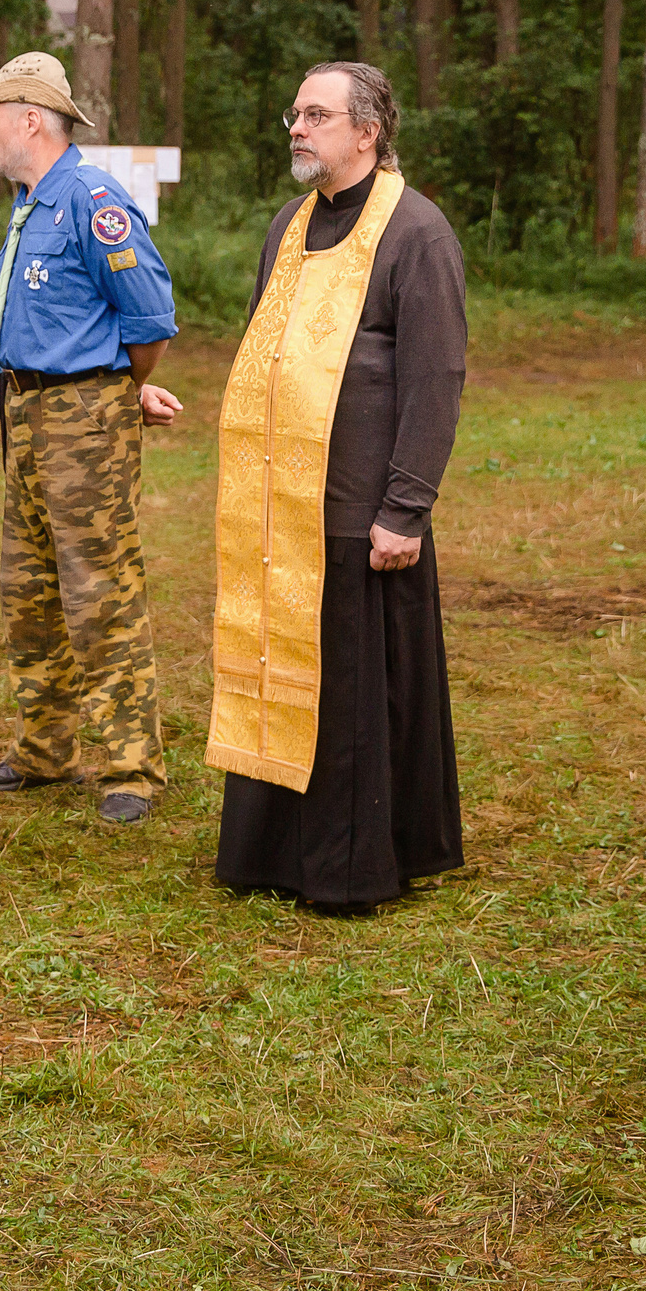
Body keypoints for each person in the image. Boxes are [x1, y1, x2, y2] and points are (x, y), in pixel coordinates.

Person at [207, 62, 467, 912]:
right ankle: (269, 851)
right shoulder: (288, 224)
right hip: (277, 506)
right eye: (295, 113)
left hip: (362, 511)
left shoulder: (416, 231)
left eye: (317, 114)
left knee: (353, 694)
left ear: (367, 132)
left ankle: (350, 866)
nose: (297, 126)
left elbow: (435, 378)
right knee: (275, 668)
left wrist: (406, 508)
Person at [0, 52, 182, 825]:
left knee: (99, 590)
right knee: (29, 591)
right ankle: (45, 748)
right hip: (24, 412)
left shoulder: (92, 200)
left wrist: (112, 388)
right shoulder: (31, 204)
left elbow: (150, 320)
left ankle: (131, 767)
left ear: (31, 118)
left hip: (80, 417)